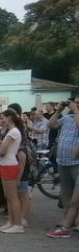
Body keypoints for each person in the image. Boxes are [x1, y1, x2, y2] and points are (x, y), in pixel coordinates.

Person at [46, 97, 79, 238]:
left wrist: (76, 110)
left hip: (76, 162)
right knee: (66, 195)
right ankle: (68, 220)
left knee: (75, 199)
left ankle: (69, 224)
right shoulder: (68, 118)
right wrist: (58, 110)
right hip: (63, 161)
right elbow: (51, 125)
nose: (74, 104)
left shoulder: (76, 116)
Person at [0, 110, 25, 233]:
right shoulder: (11, 132)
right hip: (6, 164)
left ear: (9, 118)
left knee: (13, 197)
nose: (2, 120)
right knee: (8, 196)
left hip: (10, 165)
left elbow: (1, 150)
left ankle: (17, 224)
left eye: (3, 118)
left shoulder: (13, 132)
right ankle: (11, 222)